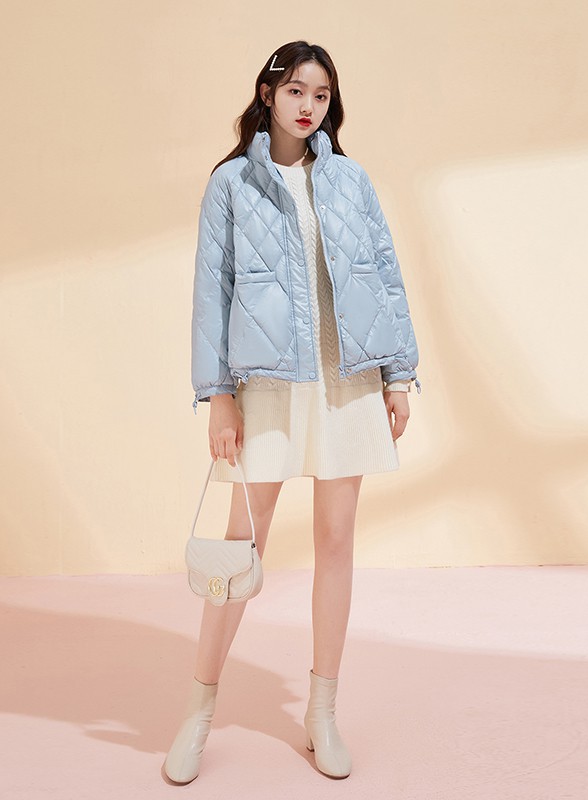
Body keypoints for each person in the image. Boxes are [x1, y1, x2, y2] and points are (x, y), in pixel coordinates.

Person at [164, 40, 421, 784]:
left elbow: (385, 274)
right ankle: (198, 713)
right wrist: (218, 394)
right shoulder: (232, 184)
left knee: (336, 542)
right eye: (297, 90)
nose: (309, 105)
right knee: (240, 550)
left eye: (321, 94)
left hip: (348, 381)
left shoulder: (350, 180)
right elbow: (211, 292)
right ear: (269, 94)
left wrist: (398, 375)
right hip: (269, 385)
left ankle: (322, 713)